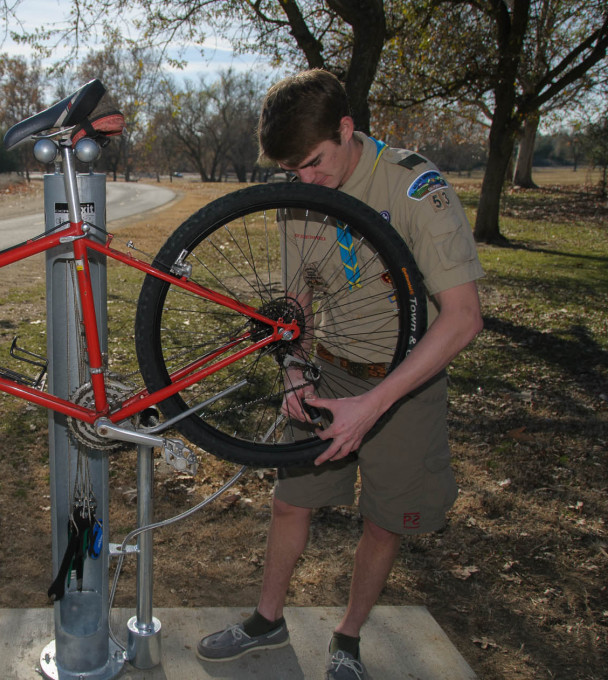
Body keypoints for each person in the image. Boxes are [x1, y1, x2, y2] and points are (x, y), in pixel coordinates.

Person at [195, 69, 484, 679]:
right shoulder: (300, 192)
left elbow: (463, 318)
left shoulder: (414, 189)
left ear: (347, 129)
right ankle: (266, 620)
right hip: (330, 372)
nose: (305, 180)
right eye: (292, 169)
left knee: (382, 521)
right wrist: (295, 370)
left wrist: (376, 404)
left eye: (315, 162)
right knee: (290, 503)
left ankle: (348, 637)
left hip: (407, 385)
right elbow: (294, 306)